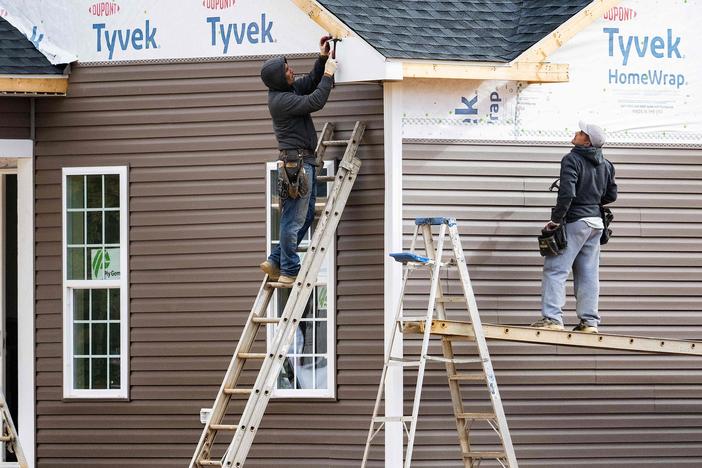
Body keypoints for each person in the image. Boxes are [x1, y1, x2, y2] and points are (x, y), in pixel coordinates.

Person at [258, 36, 337, 284]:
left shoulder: (286, 91)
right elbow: (315, 100)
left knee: (303, 216)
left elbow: (310, 82)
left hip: (304, 162)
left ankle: (276, 259)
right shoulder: (281, 101)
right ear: (279, 78)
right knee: (293, 220)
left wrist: (322, 59)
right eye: (287, 70)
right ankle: (290, 270)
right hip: (297, 164)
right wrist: (329, 75)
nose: (291, 71)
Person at [531, 121, 618, 333]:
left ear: (586, 141)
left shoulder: (572, 159)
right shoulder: (606, 164)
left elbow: (567, 193)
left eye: (580, 132)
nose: (576, 133)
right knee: (588, 274)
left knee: (555, 270)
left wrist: (556, 220)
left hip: (576, 221)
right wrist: (592, 201)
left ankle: (552, 319)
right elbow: (611, 195)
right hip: (596, 223)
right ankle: (589, 322)